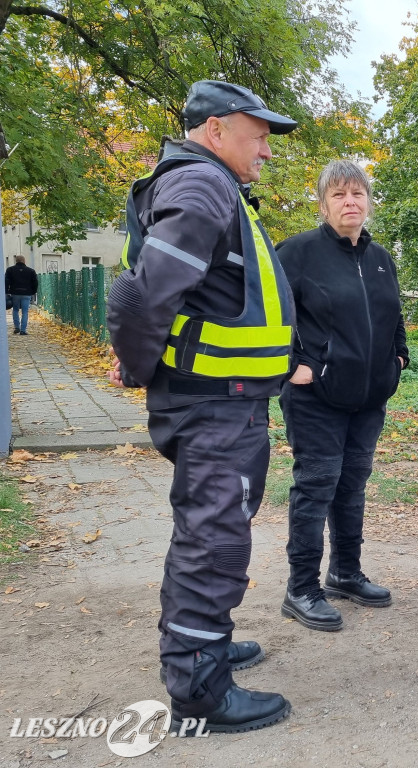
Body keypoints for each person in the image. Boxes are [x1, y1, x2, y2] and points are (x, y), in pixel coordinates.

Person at [106, 80, 297, 734]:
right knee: (213, 539)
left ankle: (204, 644)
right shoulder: (201, 186)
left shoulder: (208, 184)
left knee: (211, 531)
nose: (267, 149)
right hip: (213, 407)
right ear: (216, 130)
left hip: (224, 404)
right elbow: (140, 297)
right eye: (259, 134)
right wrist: (137, 362)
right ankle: (198, 686)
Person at [275, 160, 408, 631]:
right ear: (322, 203)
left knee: (352, 486)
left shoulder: (380, 257)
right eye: (339, 195)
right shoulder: (297, 253)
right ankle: (301, 588)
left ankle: (345, 572)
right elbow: (268, 314)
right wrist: (292, 366)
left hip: (369, 397)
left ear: (368, 201)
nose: (350, 202)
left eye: (357, 193)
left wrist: (399, 357)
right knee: (316, 487)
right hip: (316, 399)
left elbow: (393, 314)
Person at [5, 255, 37, 335]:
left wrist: (6, 291)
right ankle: (23, 330)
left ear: (16, 261)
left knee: (15, 310)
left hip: (15, 293)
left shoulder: (10, 270)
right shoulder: (31, 271)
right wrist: (33, 291)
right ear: (24, 261)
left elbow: (6, 281)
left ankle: (17, 327)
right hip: (27, 293)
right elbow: (35, 282)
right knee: (25, 312)